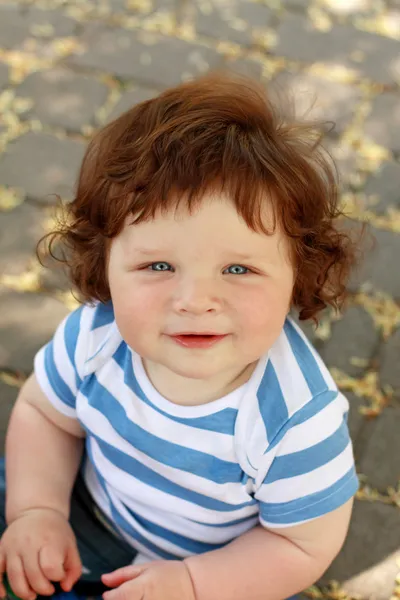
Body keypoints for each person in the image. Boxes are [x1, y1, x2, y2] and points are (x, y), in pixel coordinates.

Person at [0, 72, 362, 600]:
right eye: (159, 264)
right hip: (81, 511)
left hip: (216, 572)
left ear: (297, 277)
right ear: (106, 264)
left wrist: (194, 584)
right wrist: (37, 510)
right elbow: (43, 415)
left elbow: (301, 546)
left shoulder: (296, 422)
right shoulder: (93, 338)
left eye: (238, 269)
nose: (195, 300)